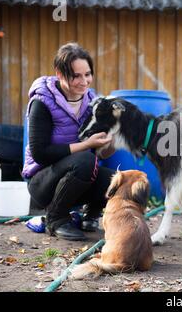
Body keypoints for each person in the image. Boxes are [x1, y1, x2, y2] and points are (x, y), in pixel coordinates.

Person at [22, 43, 115, 241]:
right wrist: (86, 145)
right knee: (84, 160)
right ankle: (56, 219)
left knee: (117, 180)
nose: (84, 81)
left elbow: (101, 153)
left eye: (87, 74)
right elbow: (40, 153)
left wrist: (112, 138)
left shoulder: (91, 100)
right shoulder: (42, 102)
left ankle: (90, 214)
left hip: (74, 177)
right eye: (76, 76)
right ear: (60, 73)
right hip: (42, 181)